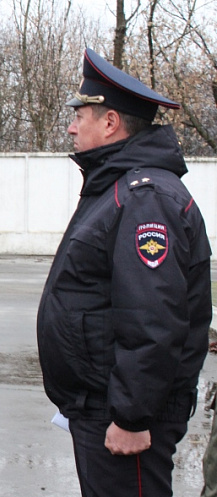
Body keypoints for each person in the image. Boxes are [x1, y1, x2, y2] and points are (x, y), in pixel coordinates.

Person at [36, 48, 211, 497]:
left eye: (81, 115)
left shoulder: (144, 197)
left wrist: (131, 418)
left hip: (123, 415)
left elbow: (154, 317)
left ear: (110, 122)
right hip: (101, 405)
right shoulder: (116, 185)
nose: (72, 126)